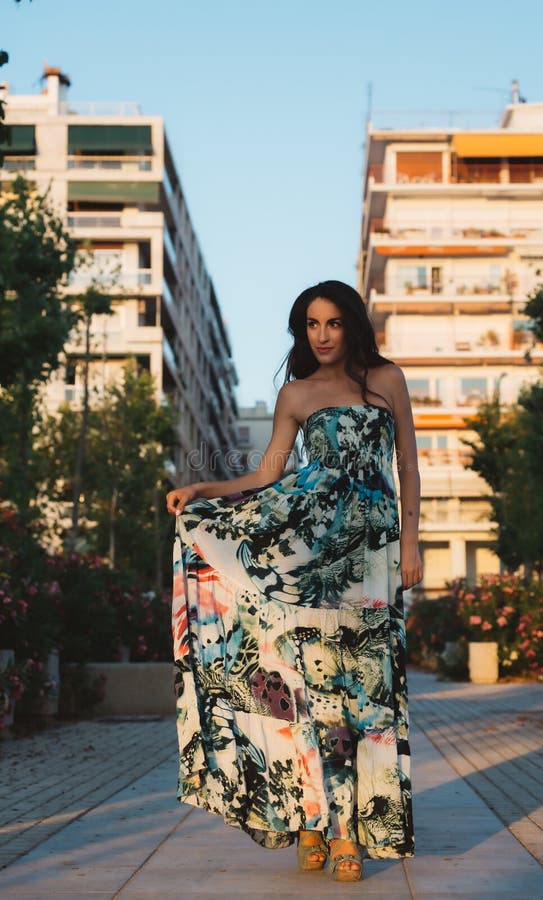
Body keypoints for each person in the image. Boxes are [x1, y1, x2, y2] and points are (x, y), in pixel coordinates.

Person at [166, 279, 422, 882]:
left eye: (333, 323)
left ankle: (350, 826)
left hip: (372, 557)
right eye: (312, 324)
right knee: (311, 688)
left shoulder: (387, 381)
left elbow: (407, 465)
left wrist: (411, 541)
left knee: (364, 692)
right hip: (307, 555)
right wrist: (204, 489)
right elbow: (267, 474)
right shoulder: (296, 394)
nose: (323, 334)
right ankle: (322, 827)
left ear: (353, 324)